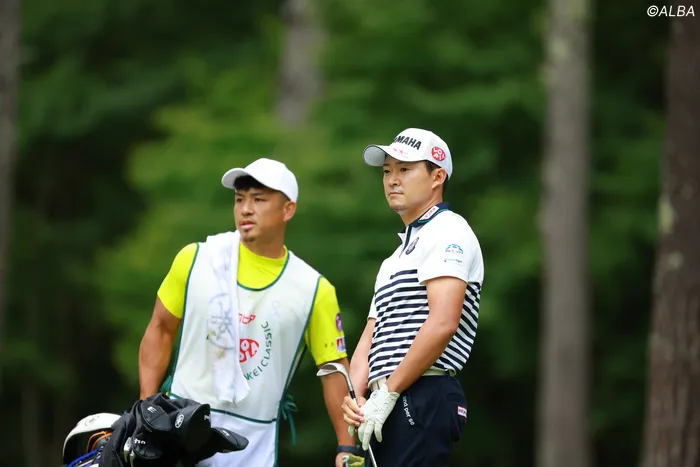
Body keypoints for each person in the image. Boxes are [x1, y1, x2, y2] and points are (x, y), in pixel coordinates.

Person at [138, 158, 357, 467]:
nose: (245, 209)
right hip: (179, 430)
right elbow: (160, 328)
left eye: (259, 200)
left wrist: (347, 448)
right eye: (239, 199)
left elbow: (334, 371)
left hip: (253, 447)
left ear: (288, 210)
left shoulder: (313, 290)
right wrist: (146, 410)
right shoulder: (196, 259)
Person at [341, 128, 485, 466]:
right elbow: (372, 335)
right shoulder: (394, 259)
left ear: (437, 176)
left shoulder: (449, 230)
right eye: (387, 171)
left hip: (423, 392)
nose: (392, 179)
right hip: (386, 399)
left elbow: (443, 322)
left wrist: (389, 391)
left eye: (405, 169)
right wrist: (356, 395)